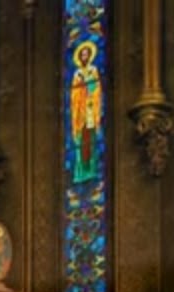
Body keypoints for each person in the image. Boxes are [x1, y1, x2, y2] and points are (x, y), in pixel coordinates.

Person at [69, 40, 101, 184]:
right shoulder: (77, 74)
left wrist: (89, 87)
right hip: (80, 111)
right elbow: (74, 95)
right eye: (82, 55)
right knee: (81, 142)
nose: (84, 57)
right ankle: (81, 172)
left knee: (91, 139)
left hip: (91, 109)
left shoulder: (93, 70)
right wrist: (81, 86)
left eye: (87, 54)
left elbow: (96, 89)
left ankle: (92, 170)